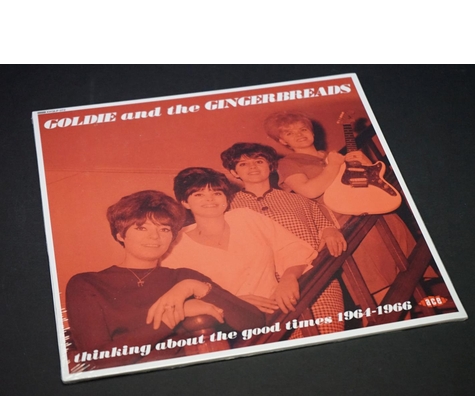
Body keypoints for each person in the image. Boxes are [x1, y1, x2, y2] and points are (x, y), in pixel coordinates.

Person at [65, 190, 265, 372]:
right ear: (120, 234)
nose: (155, 237)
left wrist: (193, 286)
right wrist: (177, 314)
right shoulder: (87, 284)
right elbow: (96, 361)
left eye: (164, 229)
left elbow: (255, 323)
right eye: (141, 228)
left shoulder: (184, 277)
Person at [263, 111, 418, 304]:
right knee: (382, 295)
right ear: (282, 141)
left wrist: (367, 164)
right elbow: (309, 191)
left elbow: (373, 185)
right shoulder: (288, 163)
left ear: (312, 132)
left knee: (409, 288)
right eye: (289, 133)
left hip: (382, 216)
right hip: (350, 225)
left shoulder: (335, 157)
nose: (299, 134)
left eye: (303, 129)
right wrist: (334, 166)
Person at [220, 142, 346, 335]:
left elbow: (323, 223)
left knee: (329, 334)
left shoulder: (299, 200)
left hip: (314, 279)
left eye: (259, 161)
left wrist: (330, 229)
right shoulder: (226, 208)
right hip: (263, 290)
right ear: (234, 172)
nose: (253, 167)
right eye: (243, 164)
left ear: (270, 166)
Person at [159, 167, 317, 317]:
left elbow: (292, 249)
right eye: (199, 195)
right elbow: (178, 298)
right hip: (230, 323)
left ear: (226, 198)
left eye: (217, 193)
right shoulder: (176, 245)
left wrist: (289, 278)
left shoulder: (246, 218)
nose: (210, 199)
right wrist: (232, 303)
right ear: (185, 202)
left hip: (279, 310)